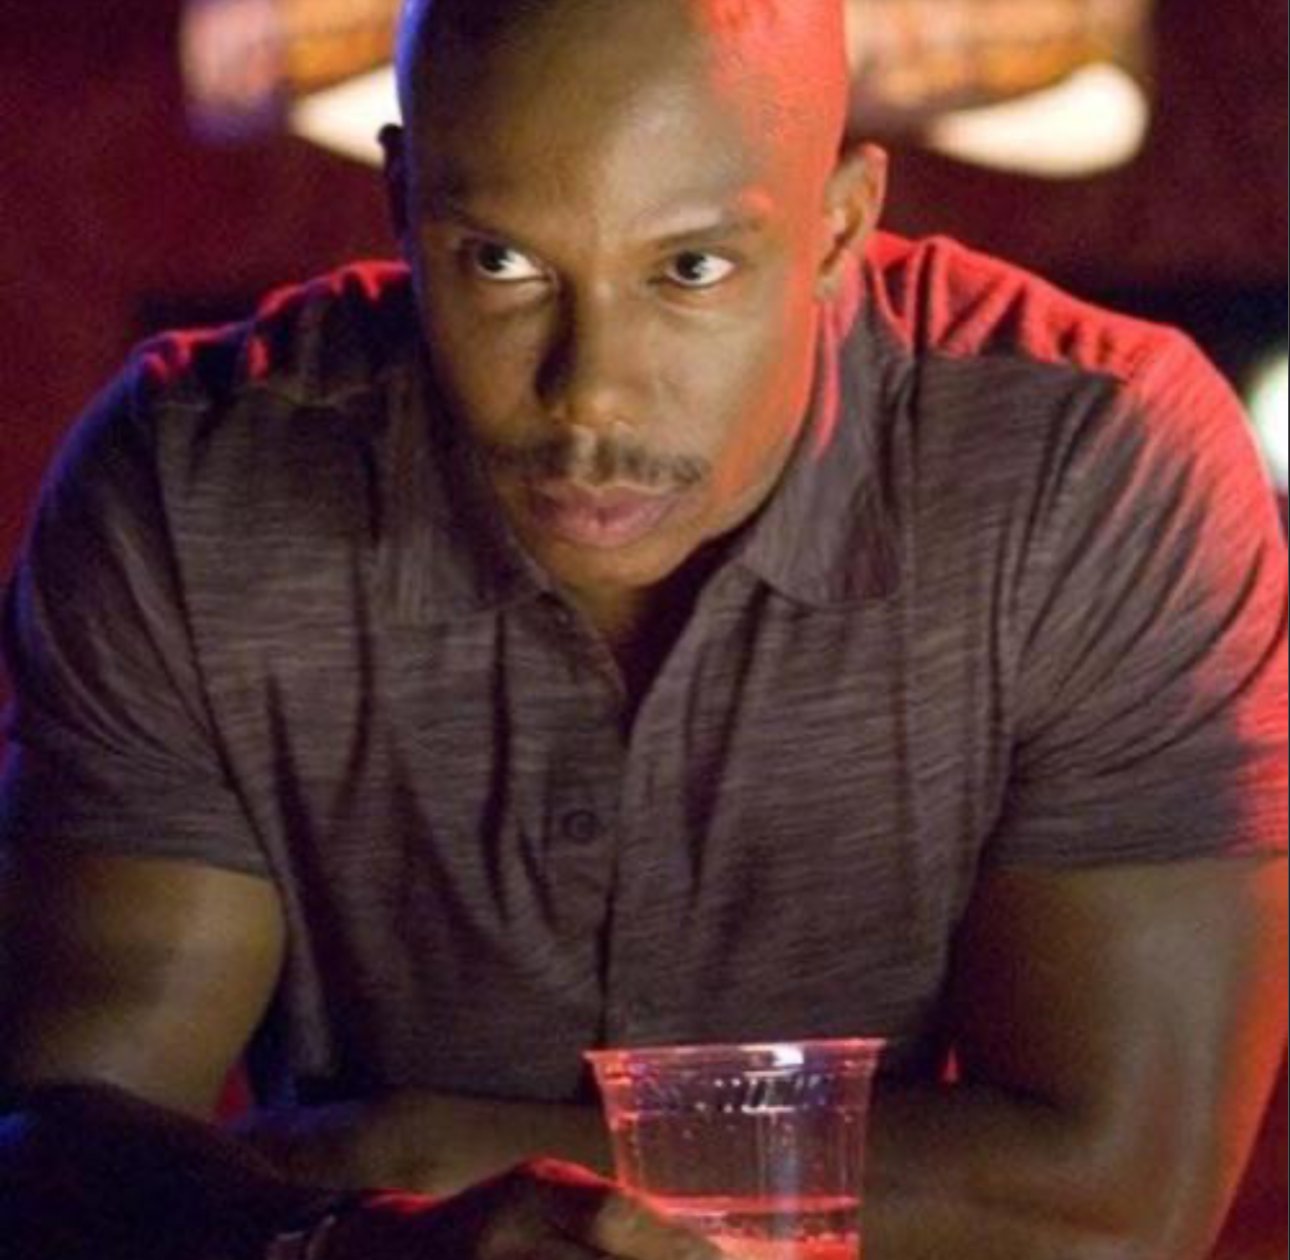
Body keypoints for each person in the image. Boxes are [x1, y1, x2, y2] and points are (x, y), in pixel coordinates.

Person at [1, 0, 1286, 1256]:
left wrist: (405, 1161)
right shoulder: (190, 483)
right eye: (501, 263)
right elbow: (57, 1150)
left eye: (691, 269)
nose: (591, 392)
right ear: (402, 205)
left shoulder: (1093, 472)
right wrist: (348, 1237)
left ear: (840, 226)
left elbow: (1108, 1205)